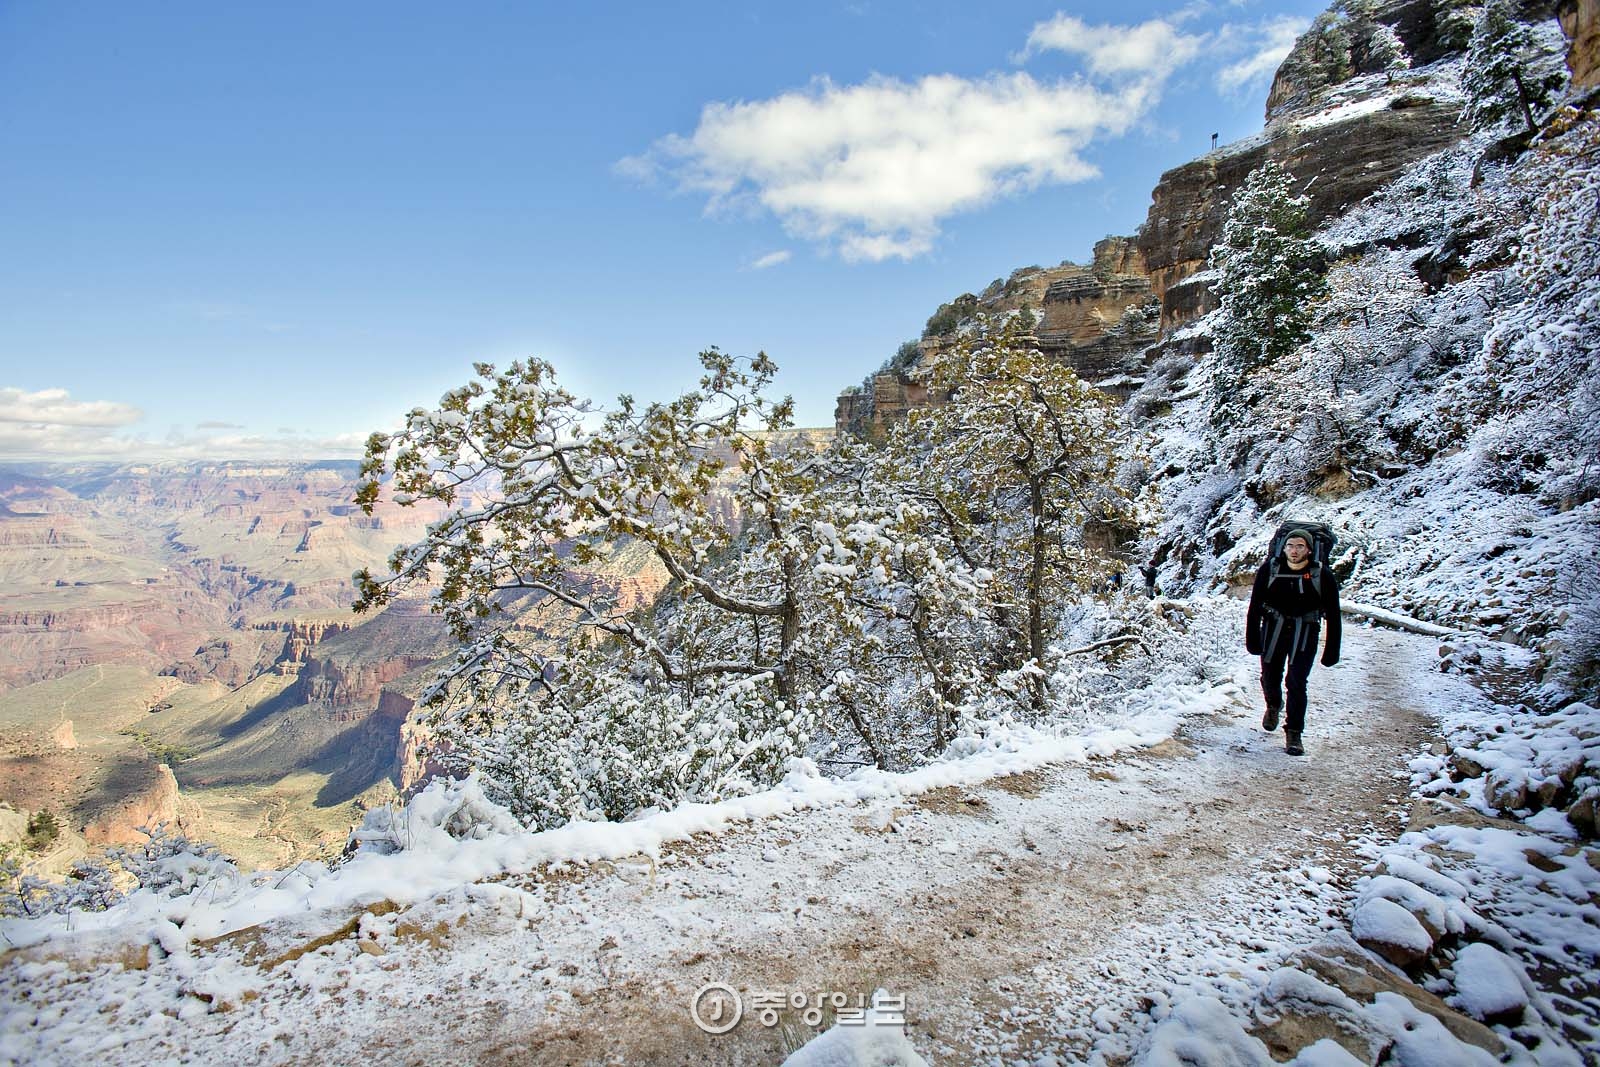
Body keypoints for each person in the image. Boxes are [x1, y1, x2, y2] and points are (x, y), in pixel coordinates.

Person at [1245, 529, 1340, 755]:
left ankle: (1294, 732)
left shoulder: (1321, 575)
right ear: (1283, 548)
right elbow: (1255, 605)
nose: (1294, 551)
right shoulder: (1270, 569)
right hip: (1273, 630)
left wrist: (1331, 650)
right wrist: (1253, 638)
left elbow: (1334, 614)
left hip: (1304, 632)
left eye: (1299, 546)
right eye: (1290, 546)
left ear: (1309, 549)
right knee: (1269, 675)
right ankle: (1273, 705)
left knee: (1297, 681)